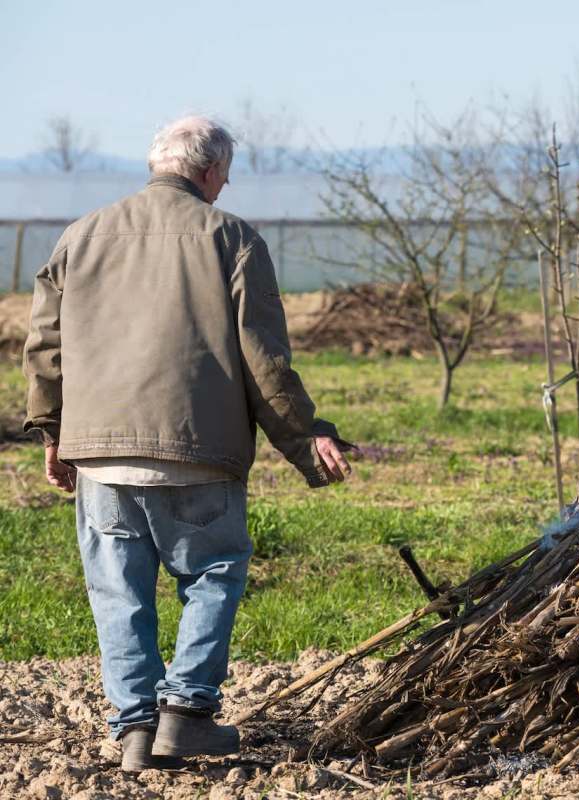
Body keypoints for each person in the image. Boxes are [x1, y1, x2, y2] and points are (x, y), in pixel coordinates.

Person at [22, 115, 354, 772]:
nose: (224, 187)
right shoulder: (232, 238)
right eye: (225, 176)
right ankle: (188, 712)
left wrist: (53, 433)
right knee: (214, 573)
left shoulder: (80, 236)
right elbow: (264, 359)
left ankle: (137, 731)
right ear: (207, 171)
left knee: (118, 593)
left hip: (103, 456)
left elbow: (45, 349)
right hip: (198, 451)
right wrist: (305, 437)